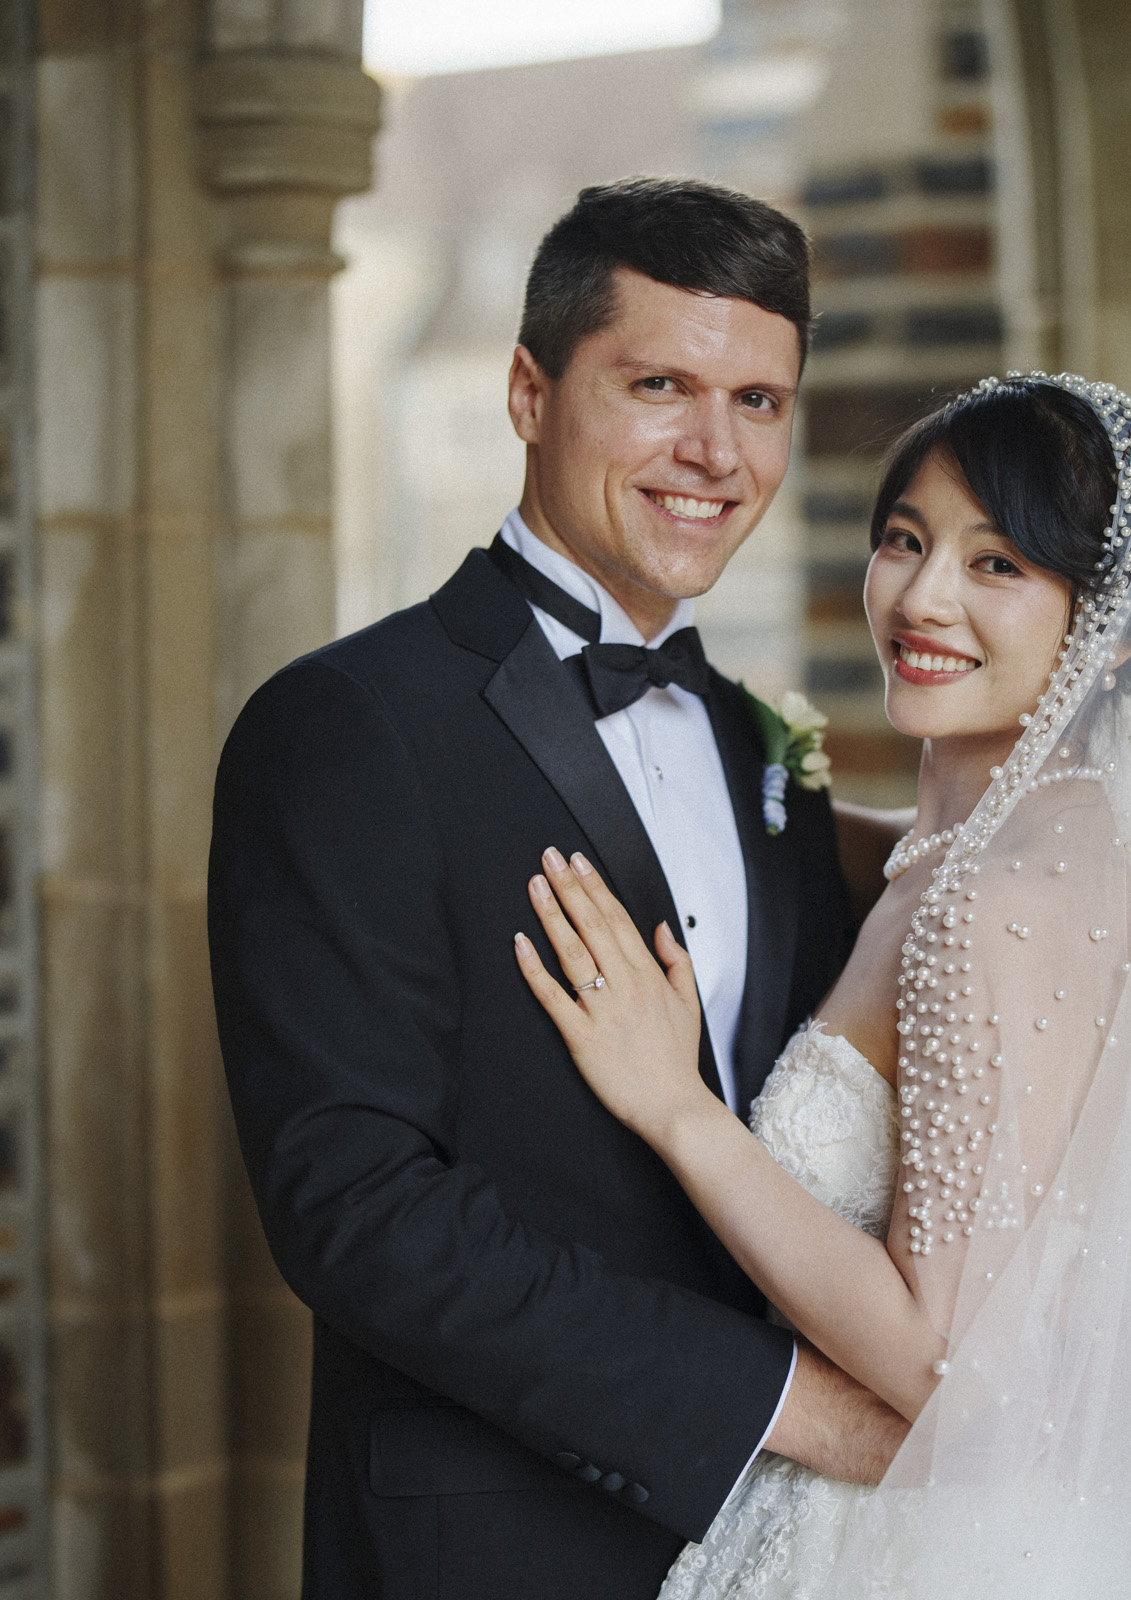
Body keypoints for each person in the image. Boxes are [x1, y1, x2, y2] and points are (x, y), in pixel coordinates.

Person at [517, 375, 1131, 1597]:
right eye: (907, 541)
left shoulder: (993, 905)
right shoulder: (1048, 840)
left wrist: (677, 1110)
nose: (923, 598)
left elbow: (942, 1361)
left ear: (1114, 634)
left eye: (998, 566)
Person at [208, 177, 908, 1600]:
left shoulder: (761, 744)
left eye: (759, 402)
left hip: (795, 1555)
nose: (715, 451)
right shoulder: (350, 726)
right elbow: (359, 1213)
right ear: (529, 392)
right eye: (659, 384)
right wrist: (791, 1406)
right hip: (495, 1543)